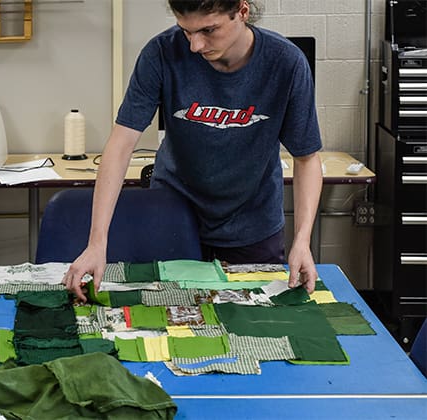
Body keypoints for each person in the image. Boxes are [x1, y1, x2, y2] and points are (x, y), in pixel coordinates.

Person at [63, 0, 323, 301]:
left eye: (208, 30)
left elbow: (306, 158)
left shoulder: (286, 63)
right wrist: (97, 242)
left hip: (253, 226)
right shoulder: (161, 53)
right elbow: (121, 144)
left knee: (252, 321)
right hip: (173, 218)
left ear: (242, 11)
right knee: (167, 319)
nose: (195, 46)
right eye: (186, 31)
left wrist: (302, 240)